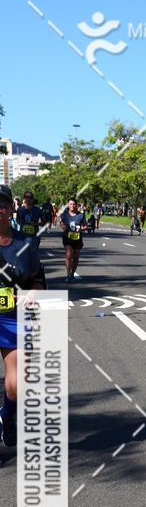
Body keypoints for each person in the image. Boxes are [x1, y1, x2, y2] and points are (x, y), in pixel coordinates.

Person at [0, 185, 46, 448]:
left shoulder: (25, 244)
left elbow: (38, 282)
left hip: (12, 318)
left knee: (17, 381)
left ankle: (6, 415)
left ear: (11, 209)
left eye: (3, 204)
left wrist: (32, 295)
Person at [60, 198, 88, 282]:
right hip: (67, 237)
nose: (72, 206)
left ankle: (72, 274)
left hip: (77, 238)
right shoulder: (64, 215)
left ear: (76, 205)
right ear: (68, 205)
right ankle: (68, 274)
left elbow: (86, 226)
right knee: (69, 255)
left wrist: (81, 229)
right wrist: (64, 227)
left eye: (74, 204)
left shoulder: (81, 215)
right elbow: (62, 224)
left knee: (75, 257)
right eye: (70, 204)